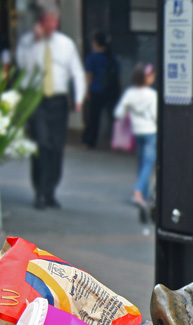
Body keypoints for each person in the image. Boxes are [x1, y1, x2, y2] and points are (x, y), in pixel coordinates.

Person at [16, 0, 86, 210]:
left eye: (55, 21)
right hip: (36, 99)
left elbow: (77, 72)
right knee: (41, 144)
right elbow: (23, 67)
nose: (52, 25)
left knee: (56, 147)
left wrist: (79, 97)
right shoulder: (28, 43)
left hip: (58, 100)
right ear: (40, 22)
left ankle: (50, 191)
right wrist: (36, 43)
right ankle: (39, 190)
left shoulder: (66, 44)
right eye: (48, 21)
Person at [114, 63, 157, 218]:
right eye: (151, 75)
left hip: (137, 132)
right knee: (148, 163)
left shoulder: (130, 93)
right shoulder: (152, 95)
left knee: (141, 163)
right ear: (146, 78)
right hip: (151, 132)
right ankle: (138, 191)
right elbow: (155, 115)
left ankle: (143, 195)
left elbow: (119, 113)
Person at [82, 31, 120, 149]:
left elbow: (89, 75)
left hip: (96, 89)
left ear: (95, 43)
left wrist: (86, 90)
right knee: (113, 117)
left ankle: (89, 141)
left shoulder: (91, 57)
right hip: (112, 90)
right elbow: (118, 75)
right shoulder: (112, 57)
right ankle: (116, 140)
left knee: (93, 117)